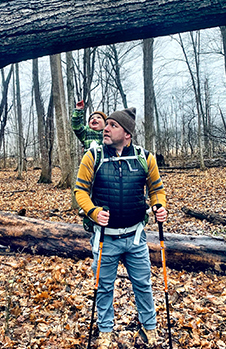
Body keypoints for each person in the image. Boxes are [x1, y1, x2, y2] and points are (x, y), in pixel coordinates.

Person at [74, 107, 167, 349]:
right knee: (103, 286)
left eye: (113, 125)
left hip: (136, 237)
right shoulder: (92, 156)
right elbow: (80, 192)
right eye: (107, 125)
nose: (105, 128)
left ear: (127, 134)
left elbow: (157, 190)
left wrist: (159, 206)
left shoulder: (144, 157)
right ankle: (105, 330)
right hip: (106, 238)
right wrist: (93, 212)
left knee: (143, 284)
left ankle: (149, 328)